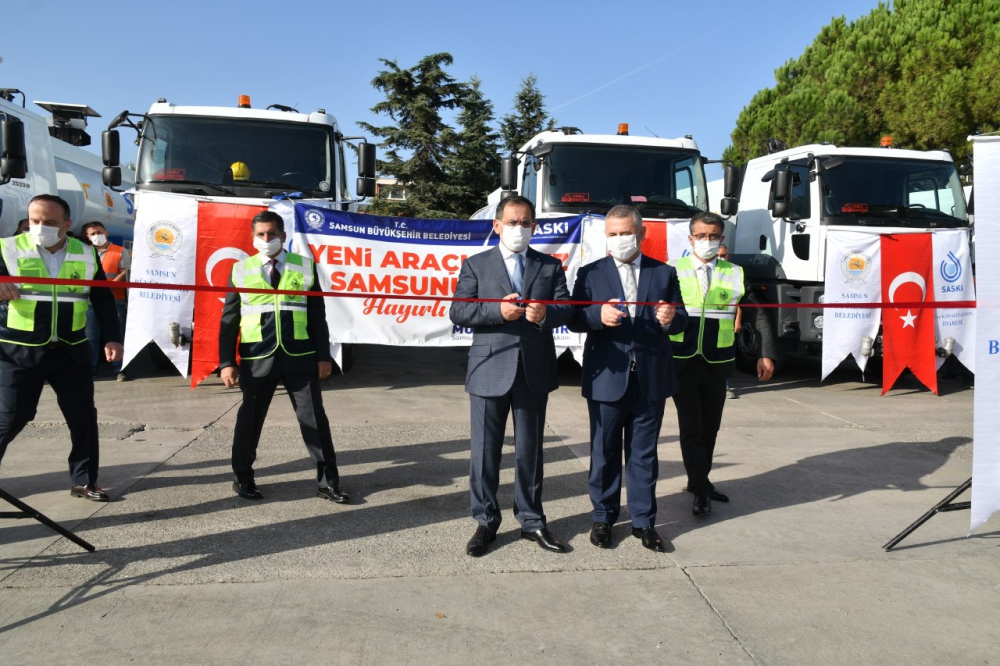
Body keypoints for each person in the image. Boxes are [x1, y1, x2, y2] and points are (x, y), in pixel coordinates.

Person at [450, 195, 574, 557]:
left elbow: (566, 308)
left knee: (529, 452)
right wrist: (497, 311)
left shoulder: (549, 265)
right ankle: (485, 522)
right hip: (489, 368)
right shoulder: (476, 264)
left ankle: (532, 521)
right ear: (497, 225)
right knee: (484, 453)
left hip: (533, 370)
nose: (519, 229)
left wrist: (545, 315)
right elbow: (459, 310)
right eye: (512, 222)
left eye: (525, 223)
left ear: (534, 226)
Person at [569, 205, 688, 553]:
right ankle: (603, 518)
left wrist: (670, 318)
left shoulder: (663, 272)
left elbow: (681, 318)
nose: (619, 239)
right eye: (613, 234)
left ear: (641, 233)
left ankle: (644, 522)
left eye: (626, 232)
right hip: (607, 376)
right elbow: (574, 317)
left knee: (644, 454)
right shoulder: (591, 273)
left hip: (650, 378)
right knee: (604, 452)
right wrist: (597, 314)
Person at [218, 210, 348, 503]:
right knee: (249, 423)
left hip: (300, 357)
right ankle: (243, 479)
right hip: (256, 359)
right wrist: (226, 362)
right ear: (253, 237)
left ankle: (328, 483)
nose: (266, 239)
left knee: (315, 422)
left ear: (283, 236)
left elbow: (317, 316)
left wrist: (323, 355)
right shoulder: (240, 269)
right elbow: (228, 320)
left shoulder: (305, 267)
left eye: (272, 234)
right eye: (261, 234)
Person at [0, 194, 123, 501]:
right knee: (12, 417)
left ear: (67, 225)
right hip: (19, 349)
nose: (40, 227)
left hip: (71, 349)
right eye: (35, 221)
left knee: (83, 418)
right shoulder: (7, 248)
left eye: (49, 222)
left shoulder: (86, 253)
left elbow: (102, 297)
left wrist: (112, 337)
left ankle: (85, 481)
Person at [670, 212, 777, 516]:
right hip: (682, 359)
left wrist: (765, 353)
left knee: (710, 427)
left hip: (718, 360)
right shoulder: (671, 269)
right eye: (701, 236)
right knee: (691, 425)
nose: (707, 241)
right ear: (690, 238)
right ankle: (701, 487)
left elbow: (756, 312)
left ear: (721, 239)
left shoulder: (735, 272)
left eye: (713, 236)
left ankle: (698, 479)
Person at [81, 222, 131, 381]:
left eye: (99, 232)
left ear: (106, 232)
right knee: (91, 337)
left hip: (115, 300)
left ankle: (120, 369)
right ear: (87, 237)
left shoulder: (119, 251)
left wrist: (108, 288)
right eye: (92, 233)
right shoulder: (85, 252)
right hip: (90, 302)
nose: (96, 235)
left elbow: (125, 272)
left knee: (117, 335)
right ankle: (91, 369)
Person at [717, 244, 741, 399]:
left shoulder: (734, 272)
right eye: (718, 255)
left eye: (723, 255)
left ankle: (725, 387)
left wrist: (738, 320)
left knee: (725, 357)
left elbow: (739, 302)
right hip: (708, 325)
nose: (721, 258)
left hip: (725, 327)